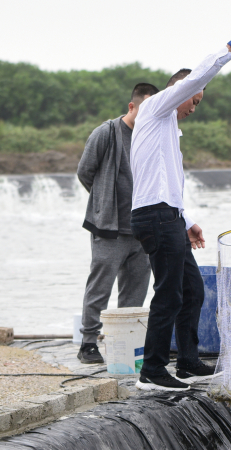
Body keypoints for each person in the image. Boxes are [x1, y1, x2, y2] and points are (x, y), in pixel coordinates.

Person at [130, 24, 231, 391]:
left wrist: (188, 220)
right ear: (178, 92)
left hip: (169, 216)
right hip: (153, 216)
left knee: (192, 290)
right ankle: (152, 371)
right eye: (194, 100)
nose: (194, 108)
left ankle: (186, 362)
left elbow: (169, 183)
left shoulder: (167, 130)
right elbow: (199, 74)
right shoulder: (155, 108)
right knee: (169, 292)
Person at [76, 83, 159, 364]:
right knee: (99, 287)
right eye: (143, 110)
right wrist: (104, 203)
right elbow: (85, 171)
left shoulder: (153, 135)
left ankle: (126, 345)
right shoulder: (106, 132)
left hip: (142, 228)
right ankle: (88, 342)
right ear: (131, 106)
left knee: (135, 291)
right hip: (109, 228)